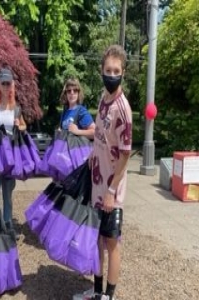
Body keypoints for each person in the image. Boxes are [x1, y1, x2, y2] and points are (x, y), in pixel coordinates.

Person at [73, 45, 132, 300]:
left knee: (111, 243)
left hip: (111, 190)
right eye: (108, 69)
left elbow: (126, 154)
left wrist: (110, 191)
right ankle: (96, 290)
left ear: (123, 73)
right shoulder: (102, 99)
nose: (111, 74)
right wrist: (92, 156)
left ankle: (108, 296)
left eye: (116, 70)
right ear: (101, 70)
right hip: (96, 183)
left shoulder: (123, 109)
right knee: (96, 239)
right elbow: (100, 134)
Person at [0, 67, 26, 239]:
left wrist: (20, 125)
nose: (6, 87)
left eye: (8, 83)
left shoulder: (16, 108)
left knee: (8, 194)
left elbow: (24, 126)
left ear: (12, 86)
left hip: (10, 156)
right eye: (3, 83)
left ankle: (8, 225)